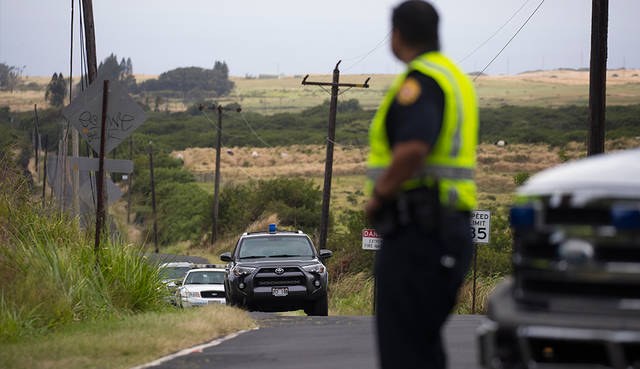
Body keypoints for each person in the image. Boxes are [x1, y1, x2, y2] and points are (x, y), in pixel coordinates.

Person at [365, 1, 478, 368]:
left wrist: (380, 193)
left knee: (404, 352)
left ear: (396, 35)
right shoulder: (453, 77)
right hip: (447, 228)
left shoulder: (420, 82)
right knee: (424, 350)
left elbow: (414, 147)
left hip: (419, 233)